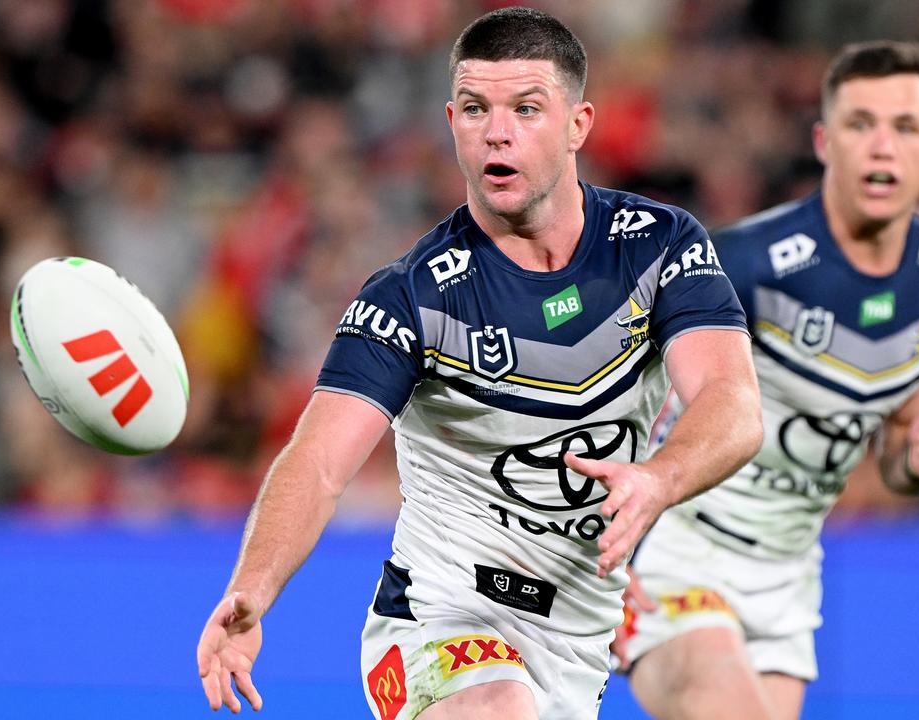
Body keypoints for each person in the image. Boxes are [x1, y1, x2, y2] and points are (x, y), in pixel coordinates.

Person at [195, 6, 764, 719]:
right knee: (498, 706)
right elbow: (317, 460)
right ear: (452, 122)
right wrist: (253, 588)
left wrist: (661, 478)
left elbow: (732, 399)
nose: (497, 131)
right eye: (475, 108)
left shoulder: (657, 246)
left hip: (587, 619)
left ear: (578, 124)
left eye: (527, 108)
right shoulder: (411, 295)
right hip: (444, 618)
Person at [615, 40, 919, 720]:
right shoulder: (744, 264)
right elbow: (615, 392)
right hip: (676, 547)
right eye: (860, 124)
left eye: (904, 128)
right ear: (824, 140)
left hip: (787, 573)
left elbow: (903, 460)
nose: (881, 147)